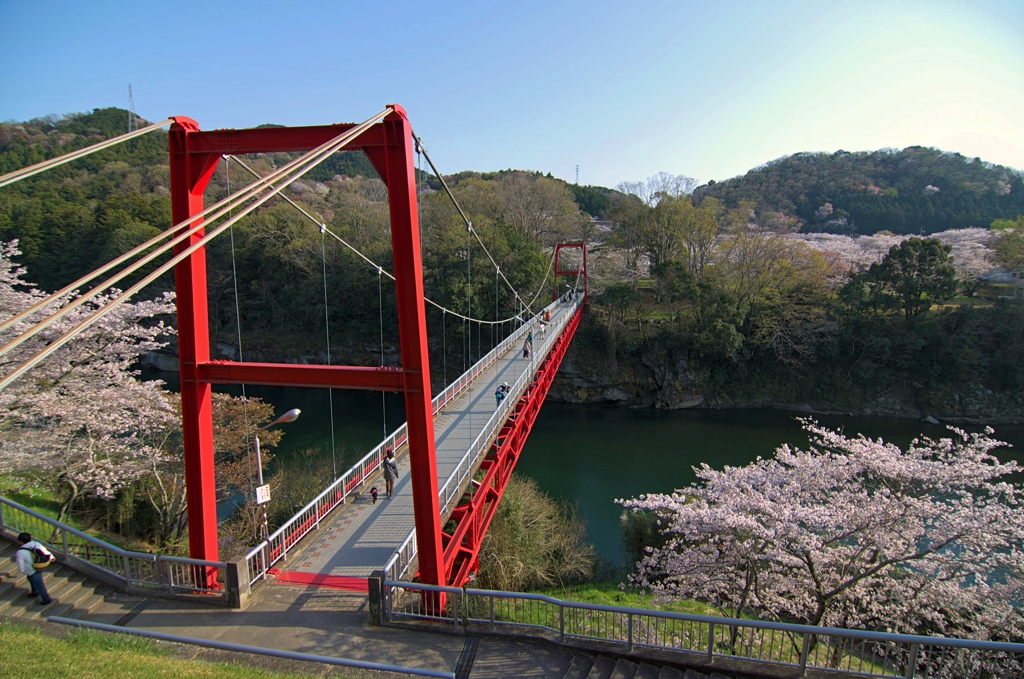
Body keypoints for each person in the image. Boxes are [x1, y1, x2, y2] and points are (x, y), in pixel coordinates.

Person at [16, 532, 55, 606]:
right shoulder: (36, 544)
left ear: (21, 541)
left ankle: (46, 598)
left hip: (32, 569)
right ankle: (34, 591)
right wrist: (51, 557)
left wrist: (22, 570)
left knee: (39, 584)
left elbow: (20, 563)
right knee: (30, 578)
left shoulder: (20, 552)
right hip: (40, 565)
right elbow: (45, 551)